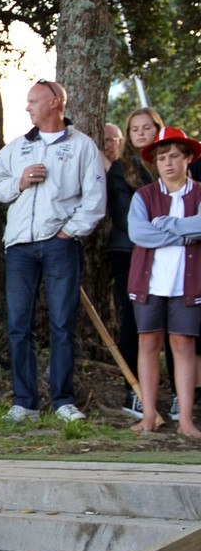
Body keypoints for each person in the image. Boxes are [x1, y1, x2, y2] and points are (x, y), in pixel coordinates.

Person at [0, 79, 106, 424]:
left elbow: (95, 200)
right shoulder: (17, 148)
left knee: (62, 323)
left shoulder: (83, 146)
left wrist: (70, 232)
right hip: (20, 246)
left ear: (55, 103)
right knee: (18, 325)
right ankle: (25, 402)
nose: (27, 108)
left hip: (59, 243)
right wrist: (20, 182)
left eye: (33, 101)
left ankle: (63, 401)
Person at [127, 127, 201, 439]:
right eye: (161, 158)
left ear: (188, 159)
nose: (167, 163)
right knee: (148, 343)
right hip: (150, 281)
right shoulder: (143, 196)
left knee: (183, 344)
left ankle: (185, 420)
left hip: (188, 283)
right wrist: (187, 232)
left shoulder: (199, 193)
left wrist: (170, 224)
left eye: (174, 156)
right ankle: (148, 416)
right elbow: (138, 234)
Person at [107, 108, 163, 417]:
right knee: (134, 320)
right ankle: (135, 390)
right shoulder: (119, 168)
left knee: (175, 322)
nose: (140, 133)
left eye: (146, 128)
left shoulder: (170, 162)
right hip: (130, 252)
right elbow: (127, 216)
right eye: (134, 129)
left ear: (158, 129)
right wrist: (166, 231)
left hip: (170, 254)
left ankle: (184, 391)